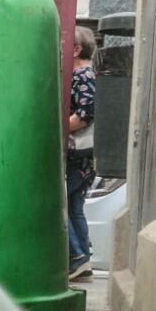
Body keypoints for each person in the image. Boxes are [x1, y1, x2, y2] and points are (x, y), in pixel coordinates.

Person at [63, 25, 97, 279]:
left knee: (61, 205)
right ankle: (82, 259)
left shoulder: (81, 76)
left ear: (76, 49)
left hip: (78, 153)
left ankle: (77, 256)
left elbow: (85, 114)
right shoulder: (87, 75)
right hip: (85, 157)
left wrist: (59, 128)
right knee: (74, 206)